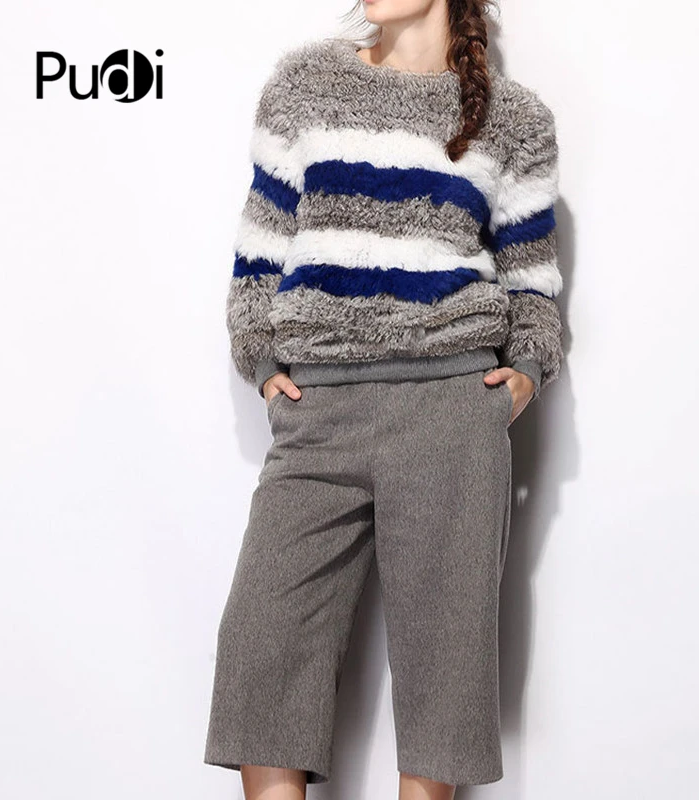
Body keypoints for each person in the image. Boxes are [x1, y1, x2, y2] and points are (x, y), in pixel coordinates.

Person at [204, 1, 564, 797]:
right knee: (262, 651)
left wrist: (526, 371)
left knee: (445, 671)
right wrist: (259, 356)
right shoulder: (304, 84)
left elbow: (532, 281)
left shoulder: (515, 119)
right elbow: (260, 247)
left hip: (450, 411)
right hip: (318, 411)